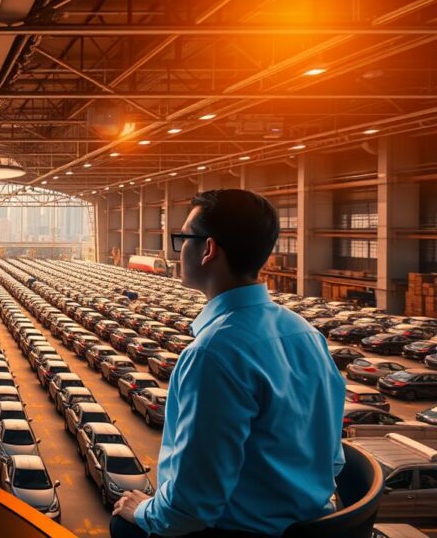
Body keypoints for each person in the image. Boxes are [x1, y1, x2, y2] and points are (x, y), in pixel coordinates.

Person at [110, 189, 345, 538]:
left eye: (183, 239)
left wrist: (142, 509)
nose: (178, 251)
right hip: (311, 522)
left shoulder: (213, 354)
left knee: (123, 525)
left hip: (246, 531)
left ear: (208, 249)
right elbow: (333, 459)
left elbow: (191, 508)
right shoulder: (306, 334)